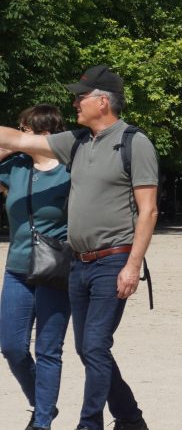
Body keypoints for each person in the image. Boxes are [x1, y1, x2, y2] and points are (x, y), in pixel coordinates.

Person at [0, 65, 157, 430]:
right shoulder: (77, 141)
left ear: (102, 102)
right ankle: (131, 419)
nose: (74, 103)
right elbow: (20, 140)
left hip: (113, 259)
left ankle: (90, 425)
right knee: (89, 349)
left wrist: (132, 266)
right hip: (78, 263)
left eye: (80, 97)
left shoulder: (135, 142)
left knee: (94, 348)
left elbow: (148, 211)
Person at [0, 105, 72, 430]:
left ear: (44, 133)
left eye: (24, 130)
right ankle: (42, 403)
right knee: (12, 347)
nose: (19, 135)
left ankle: (42, 422)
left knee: (48, 349)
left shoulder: (72, 170)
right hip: (17, 268)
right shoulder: (16, 166)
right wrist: (13, 148)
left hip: (57, 267)